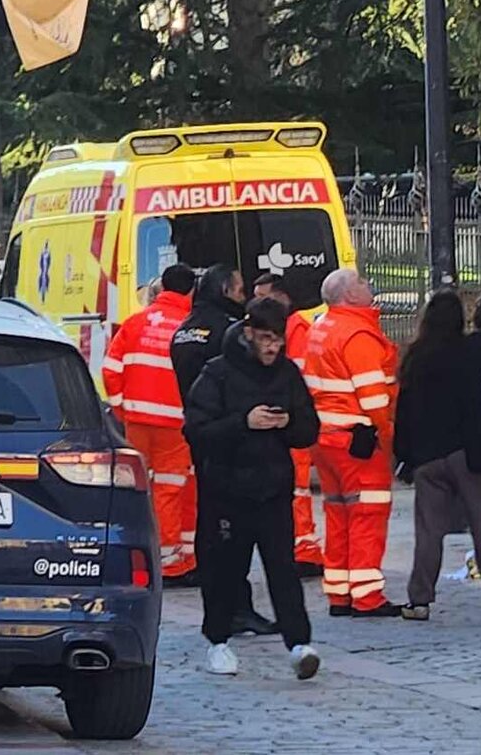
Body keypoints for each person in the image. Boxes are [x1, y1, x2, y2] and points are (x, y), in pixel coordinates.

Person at [185, 297, 322, 679]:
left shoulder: (288, 373)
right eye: (265, 338)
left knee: (283, 569)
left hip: (273, 489)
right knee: (225, 571)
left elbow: (309, 428)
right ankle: (218, 641)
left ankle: (299, 644)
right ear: (248, 333)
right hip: (227, 491)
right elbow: (196, 430)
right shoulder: (218, 373)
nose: (272, 347)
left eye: (278, 339)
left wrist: (287, 423)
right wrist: (243, 423)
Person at [394, 288, 481, 620]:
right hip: (471, 455)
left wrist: (405, 458)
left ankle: (418, 600)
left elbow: (403, 413)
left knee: (428, 533)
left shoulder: (414, 359)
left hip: (428, 457)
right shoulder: (469, 351)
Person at [171, 263, 278, 636]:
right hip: (235, 441)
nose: (243, 296)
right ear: (225, 291)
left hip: (201, 437)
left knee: (211, 527)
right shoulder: (229, 331)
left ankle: (217, 607)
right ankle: (237, 608)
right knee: (236, 530)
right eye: (240, 289)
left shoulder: (184, 330)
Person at [302, 269, 400, 618]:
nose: (367, 284)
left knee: (338, 512)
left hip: (325, 438)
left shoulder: (321, 328)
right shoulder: (358, 334)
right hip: (358, 439)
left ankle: (340, 593)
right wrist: (388, 436)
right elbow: (374, 399)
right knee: (367, 515)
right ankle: (367, 596)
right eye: (360, 281)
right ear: (349, 295)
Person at [102, 264, 198, 586]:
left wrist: (122, 410)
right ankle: (170, 561)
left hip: (136, 422)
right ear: (190, 291)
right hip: (174, 423)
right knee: (170, 489)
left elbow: (111, 369)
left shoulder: (135, 323)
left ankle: (134, 550)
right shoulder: (188, 327)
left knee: (138, 488)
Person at [254, 273, 325, 577]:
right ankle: (301, 547)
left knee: (296, 489)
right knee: (293, 490)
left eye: (264, 297)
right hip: (282, 424)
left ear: (283, 298)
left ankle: (303, 549)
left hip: (290, 424)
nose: (257, 304)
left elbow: (294, 383)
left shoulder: (297, 330)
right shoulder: (286, 329)